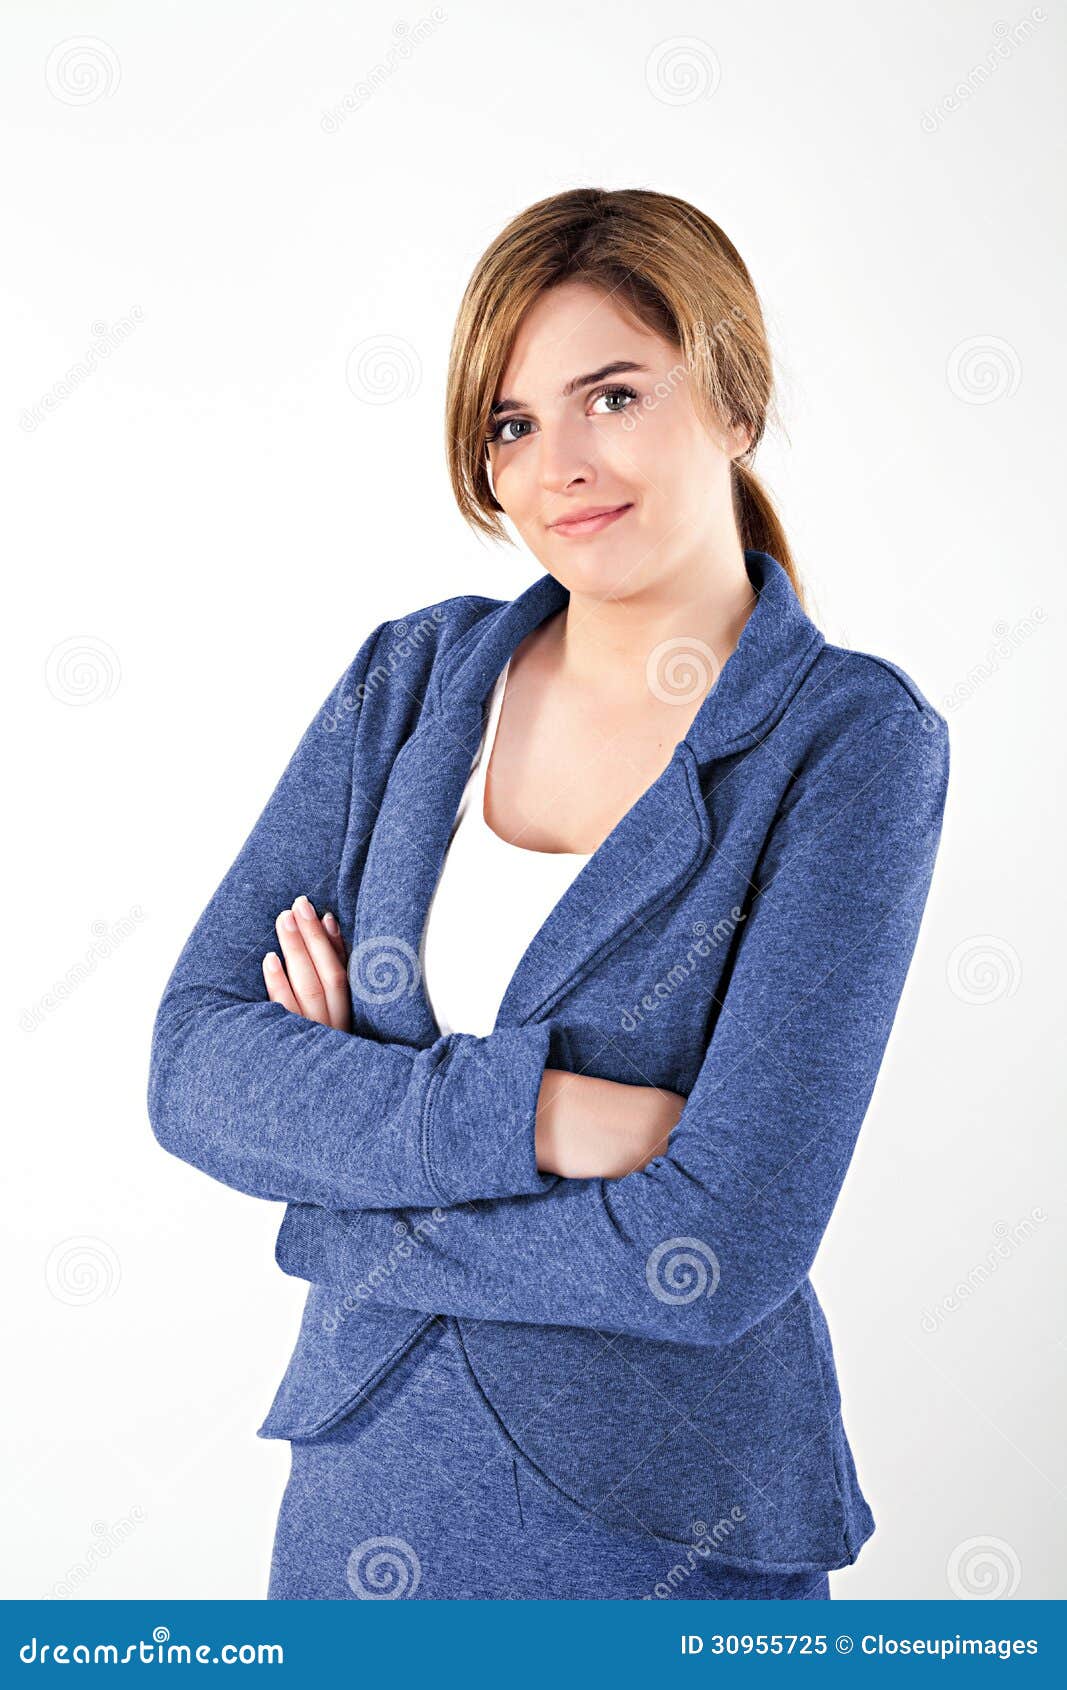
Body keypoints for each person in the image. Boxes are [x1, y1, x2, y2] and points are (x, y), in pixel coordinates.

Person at [148, 188, 950, 1600]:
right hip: (365, 1497)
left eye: (614, 396)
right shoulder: (410, 685)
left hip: (660, 1536)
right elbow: (196, 1062)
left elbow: (719, 1237)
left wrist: (345, 1190)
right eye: (513, 423)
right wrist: (540, 1114)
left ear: (735, 399)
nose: (560, 463)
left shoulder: (849, 742)